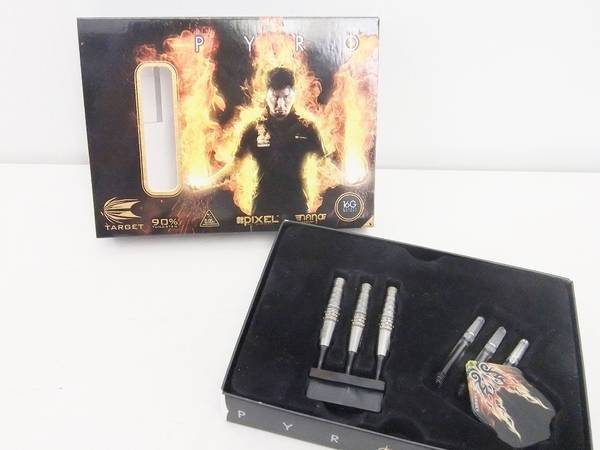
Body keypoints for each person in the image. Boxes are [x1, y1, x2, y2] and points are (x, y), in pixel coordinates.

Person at [196, 67, 325, 216]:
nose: (280, 104)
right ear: (267, 95)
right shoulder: (254, 128)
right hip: (263, 207)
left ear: (293, 95)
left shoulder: (307, 128)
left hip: (296, 206)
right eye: (275, 97)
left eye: (285, 97)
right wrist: (207, 182)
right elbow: (235, 164)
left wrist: (345, 178)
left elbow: (325, 162)